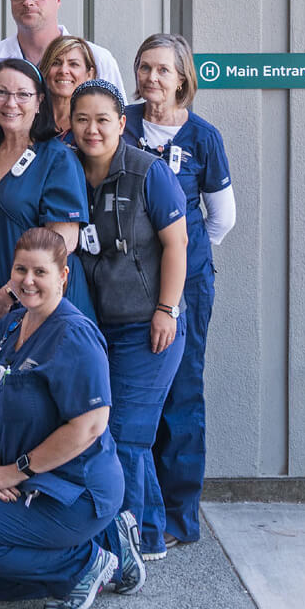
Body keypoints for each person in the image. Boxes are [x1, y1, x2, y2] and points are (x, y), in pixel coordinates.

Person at [0, 227, 145, 609]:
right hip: (23, 478)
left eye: (40, 272)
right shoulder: (6, 328)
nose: (28, 281)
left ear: (63, 277)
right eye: (21, 270)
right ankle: (114, 548)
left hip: (74, 489)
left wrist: (16, 472)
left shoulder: (74, 336)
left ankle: (85, 563)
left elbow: (90, 426)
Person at [122, 34, 236, 554]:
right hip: (123, 286)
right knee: (133, 397)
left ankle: (178, 516)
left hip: (185, 289)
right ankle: (130, 509)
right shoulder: (120, 122)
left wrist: (183, 257)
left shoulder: (203, 137)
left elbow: (221, 218)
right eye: (145, 68)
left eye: (163, 71)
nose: (152, 79)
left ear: (182, 78)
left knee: (181, 397)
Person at [71, 78, 188, 562]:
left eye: (102, 119)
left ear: (122, 123)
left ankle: (128, 544)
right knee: (124, 434)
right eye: (82, 119)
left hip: (147, 327)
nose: (92, 129)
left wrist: (166, 309)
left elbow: (176, 244)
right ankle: (153, 533)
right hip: (99, 329)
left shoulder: (148, 172)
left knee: (125, 433)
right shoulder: (68, 167)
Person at [0, 57, 95, 383]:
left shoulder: (57, 158)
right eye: (1, 93)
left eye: (22, 95)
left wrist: (10, 294)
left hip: (42, 311)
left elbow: (63, 241)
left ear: (39, 100)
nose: (10, 103)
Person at [38, 34, 97, 141]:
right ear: (44, 70)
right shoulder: (29, 117)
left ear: (89, 74)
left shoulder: (96, 122)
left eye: (73, 64)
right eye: (55, 63)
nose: (63, 70)